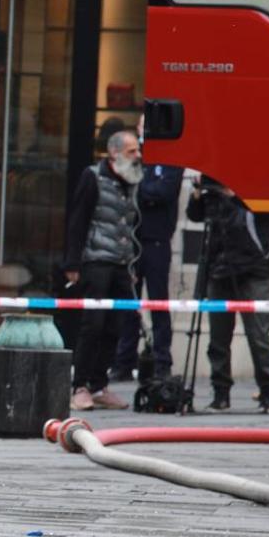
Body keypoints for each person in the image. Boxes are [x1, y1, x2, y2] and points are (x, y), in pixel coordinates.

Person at [186, 176, 269, 410]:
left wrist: (234, 194)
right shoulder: (212, 196)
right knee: (218, 337)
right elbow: (195, 215)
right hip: (219, 268)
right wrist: (198, 193)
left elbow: (261, 216)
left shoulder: (254, 189)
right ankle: (220, 393)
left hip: (252, 269)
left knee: (258, 334)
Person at [64, 130, 143, 411]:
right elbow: (78, 219)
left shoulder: (133, 180)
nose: (137, 156)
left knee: (116, 325)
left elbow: (132, 227)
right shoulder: (93, 176)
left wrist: (133, 263)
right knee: (93, 324)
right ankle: (80, 386)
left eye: (137, 151)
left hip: (122, 263)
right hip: (97, 260)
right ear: (115, 153)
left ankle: (99, 384)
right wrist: (73, 263)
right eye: (132, 151)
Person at [112, 131, 182, 384]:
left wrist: (142, 188)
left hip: (157, 241)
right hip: (133, 240)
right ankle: (123, 361)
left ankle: (163, 361)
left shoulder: (172, 160)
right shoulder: (138, 159)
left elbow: (163, 192)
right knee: (129, 303)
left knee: (158, 303)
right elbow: (125, 186)